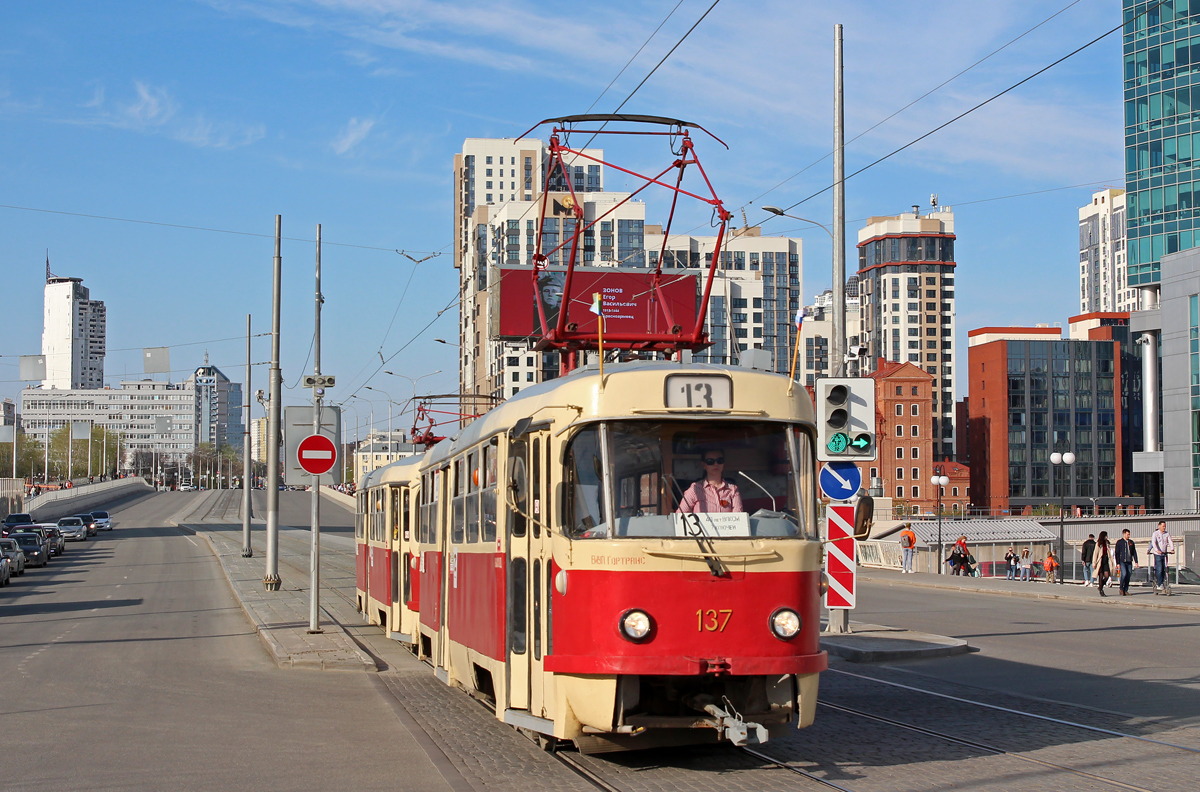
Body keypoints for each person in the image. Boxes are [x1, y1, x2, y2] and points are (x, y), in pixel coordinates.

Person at [677, 449, 743, 514]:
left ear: (723, 463)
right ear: (704, 465)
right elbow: (679, 515)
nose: (716, 464)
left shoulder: (733, 490)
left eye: (719, 460)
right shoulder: (695, 489)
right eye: (710, 461)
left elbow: (739, 518)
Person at [1148, 521, 1176, 595]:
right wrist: (1156, 550)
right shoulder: (1155, 534)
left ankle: (1164, 582)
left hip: (1164, 553)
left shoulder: (1167, 534)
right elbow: (1153, 543)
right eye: (1163, 526)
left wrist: (1172, 549)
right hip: (1157, 554)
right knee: (1159, 569)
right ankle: (1159, 584)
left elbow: (1170, 541)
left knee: (1165, 569)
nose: (1164, 528)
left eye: (1165, 526)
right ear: (1159, 526)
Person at [1114, 528, 1139, 596]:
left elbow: (1134, 552)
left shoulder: (1131, 542)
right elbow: (1117, 553)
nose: (1128, 536)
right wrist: (1118, 563)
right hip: (1122, 561)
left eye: (1129, 534)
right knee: (1124, 574)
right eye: (1127, 534)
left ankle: (1126, 590)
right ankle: (1121, 588)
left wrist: (1136, 561)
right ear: (1124, 534)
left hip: (1129, 561)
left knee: (1128, 575)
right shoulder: (1120, 542)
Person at [1093, 530, 1113, 597]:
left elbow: (1109, 551)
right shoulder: (1099, 543)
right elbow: (1095, 553)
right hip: (1100, 561)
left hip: (1106, 560)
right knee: (1101, 576)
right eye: (1106, 535)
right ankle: (1101, 590)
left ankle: (1100, 586)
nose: (1107, 537)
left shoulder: (1107, 543)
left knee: (1107, 575)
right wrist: (1094, 563)